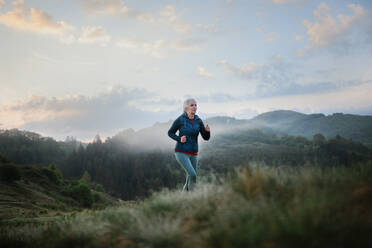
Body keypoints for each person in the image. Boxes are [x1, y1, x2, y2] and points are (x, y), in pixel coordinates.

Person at [167, 98, 211, 192]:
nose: (194, 107)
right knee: (193, 175)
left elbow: (205, 137)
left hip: (194, 153)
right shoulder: (180, 119)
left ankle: (184, 199)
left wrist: (208, 132)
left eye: (195, 105)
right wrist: (179, 139)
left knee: (189, 178)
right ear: (186, 107)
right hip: (181, 152)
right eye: (192, 105)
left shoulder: (198, 120)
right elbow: (170, 133)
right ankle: (192, 198)